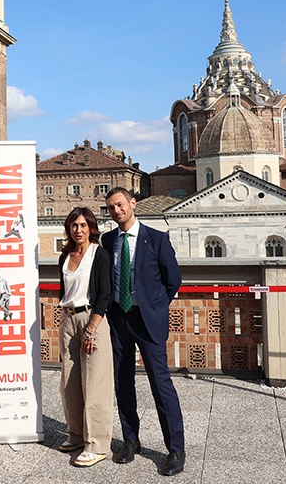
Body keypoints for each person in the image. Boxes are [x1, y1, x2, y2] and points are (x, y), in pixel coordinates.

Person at [102, 187, 185, 477]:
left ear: (132, 203)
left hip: (147, 320)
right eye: (111, 207)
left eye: (120, 205)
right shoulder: (108, 240)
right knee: (123, 382)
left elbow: (173, 280)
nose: (116, 211)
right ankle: (130, 441)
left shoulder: (157, 239)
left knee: (160, 385)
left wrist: (156, 307)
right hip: (119, 318)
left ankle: (175, 449)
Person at [57, 207, 113, 468]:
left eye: (82, 225)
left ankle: (97, 444)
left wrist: (91, 328)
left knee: (95, 384)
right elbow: (64, 291)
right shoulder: (65, 256)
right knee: (69, 383)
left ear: (91, 227)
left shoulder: (98, 254)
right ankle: (77, 435)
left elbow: (105, 293)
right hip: (68, 319)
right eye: (73, 225)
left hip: (92, 319)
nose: (78, 230)